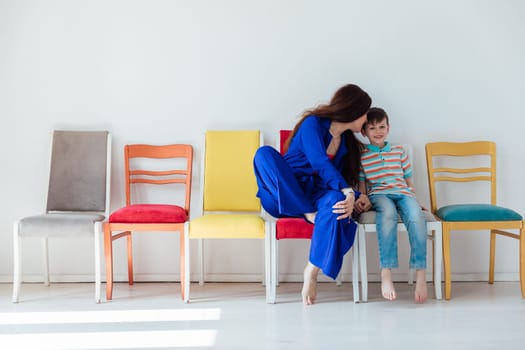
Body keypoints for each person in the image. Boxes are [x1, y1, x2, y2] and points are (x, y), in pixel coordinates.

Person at [253, 83, 372, 305]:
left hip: (315, 194)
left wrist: (355, 197)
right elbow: (318, 160)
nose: (366, 119)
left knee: (336, 201)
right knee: (264, 154)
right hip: (283, 192)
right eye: (364, 113)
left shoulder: (348, 143)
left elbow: (338, 180)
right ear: (353, 111)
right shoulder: (313, 125)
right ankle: (306, 210)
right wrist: (345, 193)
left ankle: (312, 270)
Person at [358, 107, 428, 303]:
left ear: (388, 128)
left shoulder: (398, 151)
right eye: (372, 128)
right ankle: (386, 273)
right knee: (387, 213)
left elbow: (409, 184)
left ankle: (421, 274)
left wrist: (416, 201)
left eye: (382, 126)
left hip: (403, 193)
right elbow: (363, 188)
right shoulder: (362, 155)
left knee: (415, 215)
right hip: (379, 195)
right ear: (364, 132)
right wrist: (362, 200)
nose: (378, 131)